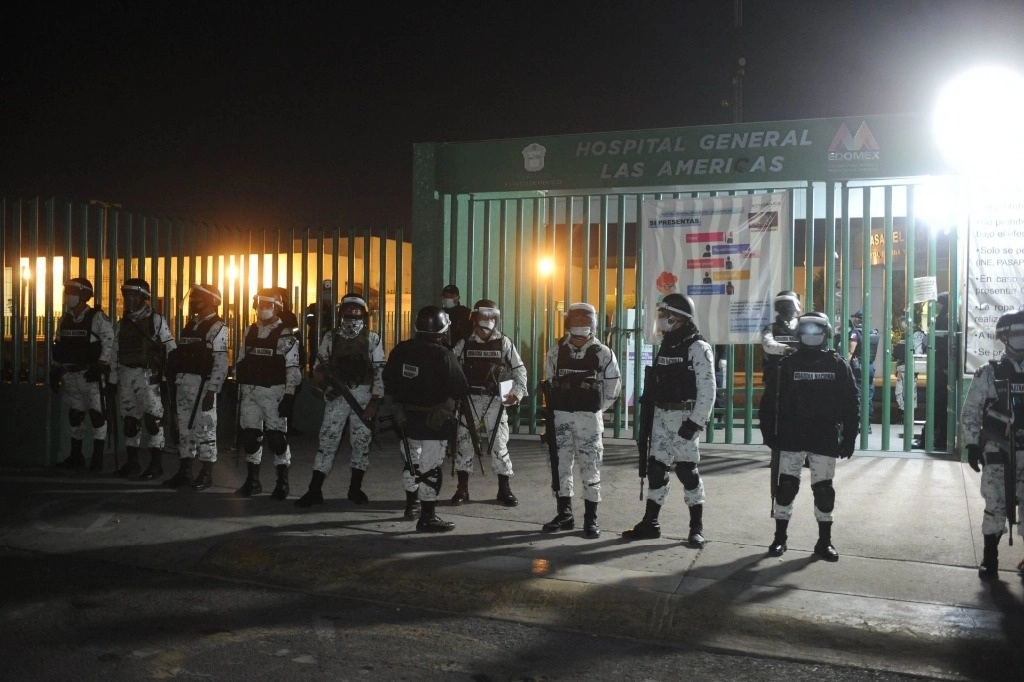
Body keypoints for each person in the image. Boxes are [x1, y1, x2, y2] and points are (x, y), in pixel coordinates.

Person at [759, 311, 859, 562]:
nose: (811, 335)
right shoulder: (786, 365)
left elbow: (851, 403)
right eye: (807, 330)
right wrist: (768, 431)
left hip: (824, 434)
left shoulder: (837, 365)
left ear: (826, 333)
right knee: (786, 488)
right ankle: (780, 538)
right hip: (791, 434)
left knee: (824, 490)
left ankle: (824, 542)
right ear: (798, 333)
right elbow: (769, 401)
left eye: (817, 330)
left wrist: (849, 436)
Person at [622, 294, 716, 546]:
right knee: (656, 469)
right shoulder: (668, 343)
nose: (661, 321)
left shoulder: (697, 346)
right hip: (661, 416)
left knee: (686, 471)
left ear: (678, 318)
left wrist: (696, 422)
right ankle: (650, 523)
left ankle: (696, 527)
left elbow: (708, 389)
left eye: (665, 316)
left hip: (684, 417)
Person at [383, 305, 469, 532]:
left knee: (411, 462)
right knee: (430, 467)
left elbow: (388, 381)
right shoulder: (443, 354)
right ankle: (428, 516)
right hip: (434, 421)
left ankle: (412, 505)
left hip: (405, 420)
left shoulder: (401, 350)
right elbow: (461, 387)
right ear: (441, 329)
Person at [296, 293, 385, 508]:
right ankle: (314, 490)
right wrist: (324, 386)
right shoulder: (330, 337)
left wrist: (375, 401)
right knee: (327, 442)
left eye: (357, 311)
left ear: (363, 314)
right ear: (341, 313)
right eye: (349, 310)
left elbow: (379, 371)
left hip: (363, 397)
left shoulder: (373, 338)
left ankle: (355, 489)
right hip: (337, 397)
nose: (353, 315)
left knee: (361, 444)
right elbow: (319, 368)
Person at [541, 302, 621, 539]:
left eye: (584, 322)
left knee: (590, 466)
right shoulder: (556, 351)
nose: (580, 326)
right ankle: (564, 513)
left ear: (593, 324)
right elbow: (550, 381)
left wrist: (595, 409)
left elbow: (613, 388)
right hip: (561, 416)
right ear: (568, 323)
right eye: (575, 322)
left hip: (589, 420)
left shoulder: (603, 352)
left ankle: (590, 519)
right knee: (560, 465)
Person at [959, 309, 1024, 578]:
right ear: (1004, 337)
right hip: (999, 450)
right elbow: (971, 411)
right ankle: (990, 558)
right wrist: (972, 445)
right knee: (995, 505)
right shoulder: (989, 372)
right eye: (1018, 333)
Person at [450, 299, 528, 507]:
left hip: (495, 400)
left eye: (492, 317)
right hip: (470, 400)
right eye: (484, 316)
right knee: (464, 443)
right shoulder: (464, 343)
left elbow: (520, 370)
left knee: (499, 444)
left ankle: (504, 489)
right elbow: (450, 368)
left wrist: (516, 393)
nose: (488, 320)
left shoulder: (504, 342)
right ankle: (462, 488)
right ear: (474, 318)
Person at [233, 288, 302, 499]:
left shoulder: (285, 334)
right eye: (261, 305)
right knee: (251, 437)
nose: (263, 309)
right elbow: (241, 358)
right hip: (250, 392)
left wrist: (289, 395)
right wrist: (236, 380)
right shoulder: (249, 330)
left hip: (274, 393)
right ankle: (252, 481)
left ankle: (282, 482)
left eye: (268, 305)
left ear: (277, 308)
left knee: (276, 439)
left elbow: (292, 368)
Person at [108, 278, 176, 478]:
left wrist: (165, 375)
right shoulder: (123, 323)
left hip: (148, 377)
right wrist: (112, 380)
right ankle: (132, 464)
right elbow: (115, 352)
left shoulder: (156, 320)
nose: (128, 300)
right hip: (127, 375)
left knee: (153, 421)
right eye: (126, 296)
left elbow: (170, 347)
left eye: (133, 296)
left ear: (144, 298)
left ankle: (156, 466)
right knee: (130, 422)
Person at [163, 284, 228, 490]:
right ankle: (185, 472)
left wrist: (212, 390)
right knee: (185, 429)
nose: (193, 301)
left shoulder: (218, 327)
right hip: (184, 383)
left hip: (203, 385)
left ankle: (206, 473)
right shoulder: (191, 324)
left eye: (197, 297)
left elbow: (220, 362)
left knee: (205, 429)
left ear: (210, 301)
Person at [50, 277, 115, 471]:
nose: (68, 296)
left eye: (72, 292)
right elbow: (59, 346)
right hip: (71, 376)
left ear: (84, 296)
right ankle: (76, 456)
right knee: (75, 415)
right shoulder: (65, 319)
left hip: (91, 375)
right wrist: (55, 369)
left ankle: (97, 458)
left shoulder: (96, 318)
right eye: (67, 292)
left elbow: (109, 342)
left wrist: (101, 365)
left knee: (96, 415)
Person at [915, 292, 950, 450]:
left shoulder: (943, 320)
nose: (937, 307)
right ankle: (940, 439)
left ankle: (928, 439)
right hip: (945, 370)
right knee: (942, 408)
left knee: (936, 406)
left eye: (939, 303)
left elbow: (935, 343)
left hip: (941, 370)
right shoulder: (949, 319)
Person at [847, 310, 878, 423]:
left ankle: (858, 421)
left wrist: (844, 364)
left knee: (858, 393)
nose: (853, 319)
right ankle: (867, 423)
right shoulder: (872, 332)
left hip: (858, 367)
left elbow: (851, 351)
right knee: (868, 394)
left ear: (858, 319)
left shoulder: (855, 333)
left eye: (855, 317)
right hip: (870, 366)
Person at [305, 279, 335, 376]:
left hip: (332, 337)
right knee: (315, 355)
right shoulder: (314, 306)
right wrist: (321, 327)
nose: (327, 295)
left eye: (329, 293)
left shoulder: (335, 307)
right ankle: (313, 375)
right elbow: (309, 320)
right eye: (325, 292)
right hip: (316, 336)